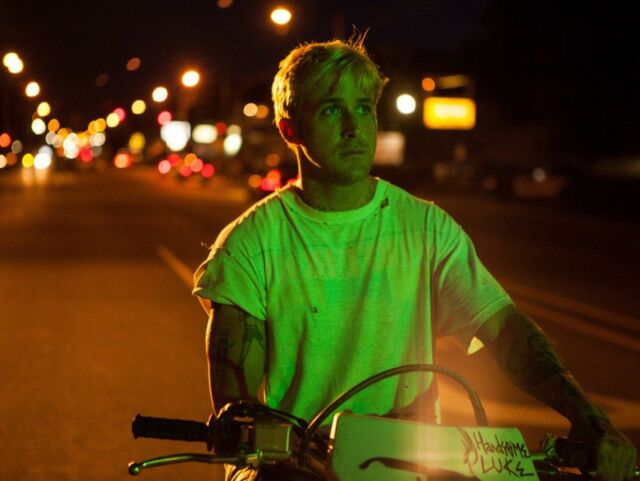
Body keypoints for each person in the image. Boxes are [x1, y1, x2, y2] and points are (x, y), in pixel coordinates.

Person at [193, 35, 637, 480]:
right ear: (290, 129)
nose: (353, 126)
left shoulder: (426, 229)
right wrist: (248, 434)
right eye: (331, 110)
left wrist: (588, 418)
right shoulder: (250, 244)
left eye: (363, 108)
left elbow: (503, 329)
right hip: (299, 470)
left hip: (412, 466)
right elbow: (237, 406)